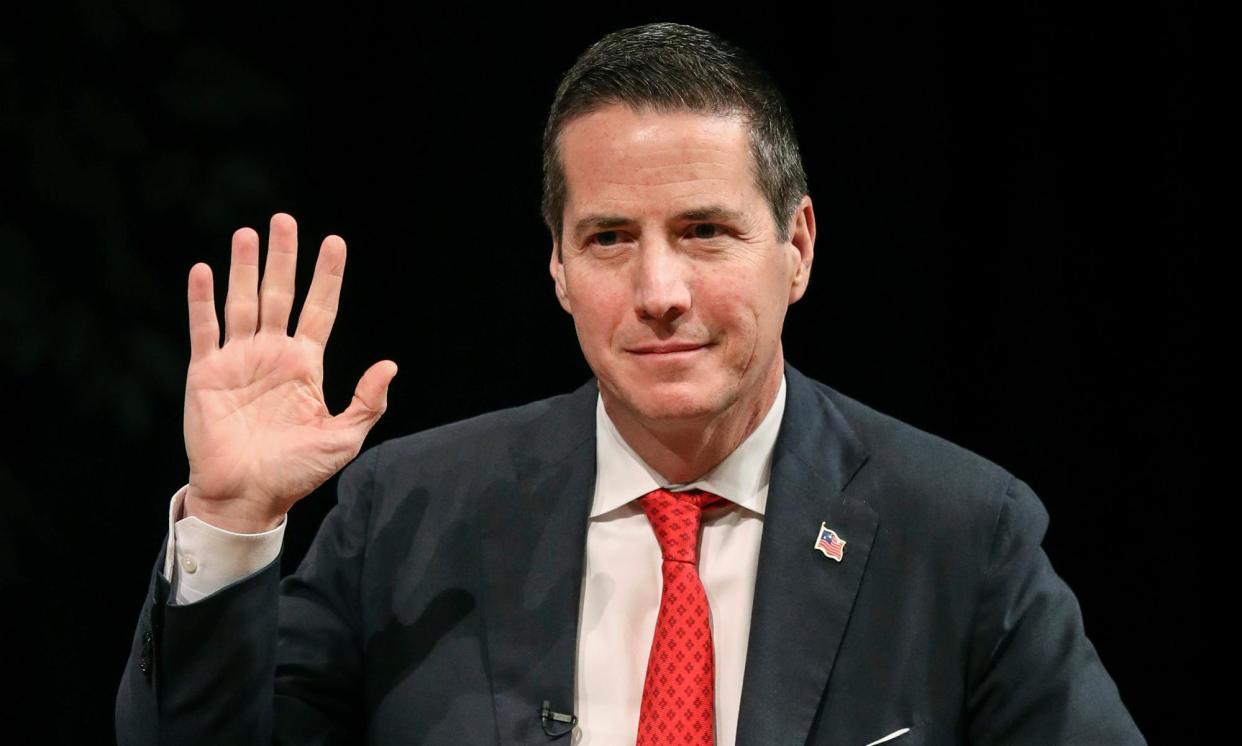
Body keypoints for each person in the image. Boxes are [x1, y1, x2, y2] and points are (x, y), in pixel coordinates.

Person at [116, 22, 1145, 746]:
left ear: (797, 245)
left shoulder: (960, 532)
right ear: (558, 267)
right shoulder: (408, 512)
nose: (659, 291)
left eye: (704, 231)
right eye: (610, 238)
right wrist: (229, 520)